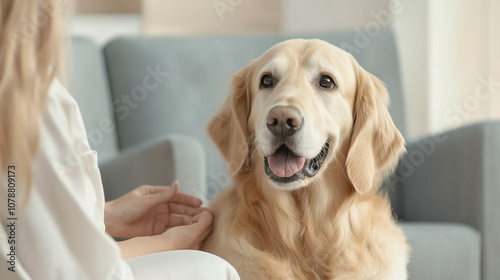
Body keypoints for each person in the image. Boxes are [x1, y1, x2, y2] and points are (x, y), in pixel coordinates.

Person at [0, 1, 240, 279]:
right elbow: (77, 270)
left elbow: (22, 231)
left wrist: (104, 216)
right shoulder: (30, 102)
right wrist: (170, 243)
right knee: (213, 269)